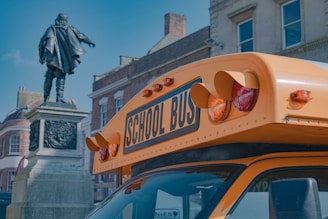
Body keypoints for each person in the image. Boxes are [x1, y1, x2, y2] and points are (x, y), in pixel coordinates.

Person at [39, 13, 95, 103]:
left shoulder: (51, 29)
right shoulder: (70, 29)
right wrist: (90, 42)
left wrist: (41, 56)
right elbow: (81, 36)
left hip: (51, 60)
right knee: (60, 76)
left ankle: (46, 98)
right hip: (62, 61)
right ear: (65, 21)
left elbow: (42, 43)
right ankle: (59, 98)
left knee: (49, 76)